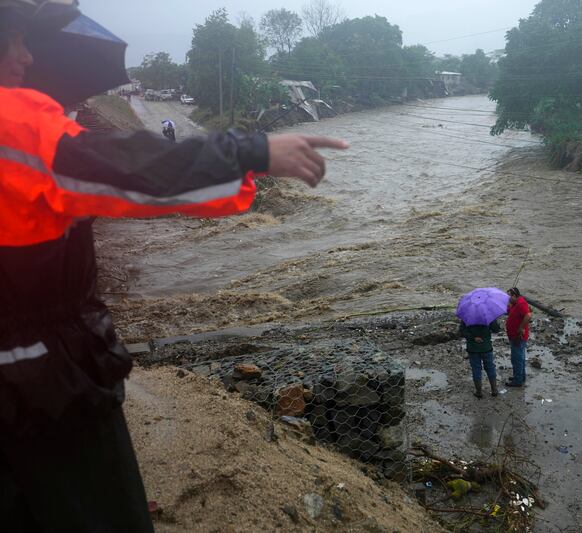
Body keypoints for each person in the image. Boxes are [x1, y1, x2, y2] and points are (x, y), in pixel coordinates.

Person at [0, 2, 347, 531]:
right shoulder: (16, 125)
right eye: (14, 39)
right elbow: (130, 171)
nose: (26, 54)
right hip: (45, 378)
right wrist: (249, 153)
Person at [459, 319, 500, 398]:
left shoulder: (467, 316)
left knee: (476, 369)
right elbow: (496, 329)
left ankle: (478, 392)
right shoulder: (488, 314)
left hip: (473, 348)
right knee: (490, 367)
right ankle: (494, 390)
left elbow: (462, 332)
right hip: (486, 347)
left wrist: (473, 337)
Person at [505, 287, 532, 387]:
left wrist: (521, 328)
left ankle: (518, 380)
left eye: (509, 296)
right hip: (514, 336)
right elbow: (510, 312)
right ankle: (520, 376)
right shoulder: (515, 303)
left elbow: (528, 315)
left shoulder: (521, 303)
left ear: (514, 296)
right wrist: (509, 306)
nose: (507, 298)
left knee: (516, 358)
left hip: (518, 336)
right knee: (520, 357)